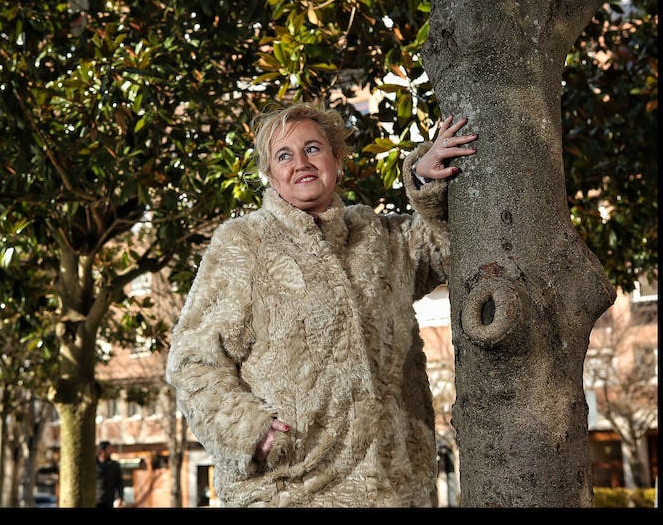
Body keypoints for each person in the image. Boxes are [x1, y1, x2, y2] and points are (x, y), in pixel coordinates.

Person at [165, 102, 477, 508]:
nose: (301, 163)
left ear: (335, 159)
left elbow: (448, 246)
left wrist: (423, 177)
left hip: (394, 489)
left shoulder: (378, 237)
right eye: (284, 156)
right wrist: (251, 433)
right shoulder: (243, 245)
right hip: (290, 489)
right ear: (270, 175)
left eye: (312, 148)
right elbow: (192, 360)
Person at [95, 441, 125, 508]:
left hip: (109, 501)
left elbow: (120, 483)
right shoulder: (93, 465)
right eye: (109, 449)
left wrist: (120, 497)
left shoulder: (114, 465)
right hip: (94, 500)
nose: (111, 451)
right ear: (102, 451)